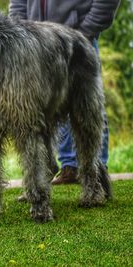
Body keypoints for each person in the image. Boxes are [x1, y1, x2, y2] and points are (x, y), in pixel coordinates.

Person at [9, 0, 120, 186]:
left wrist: (84, 33)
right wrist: (22, 35)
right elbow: (18, 4)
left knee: (87, 111)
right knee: (42, 113)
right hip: (36, 49)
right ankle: (66, 167)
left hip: (77, 46)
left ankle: (95, 173)